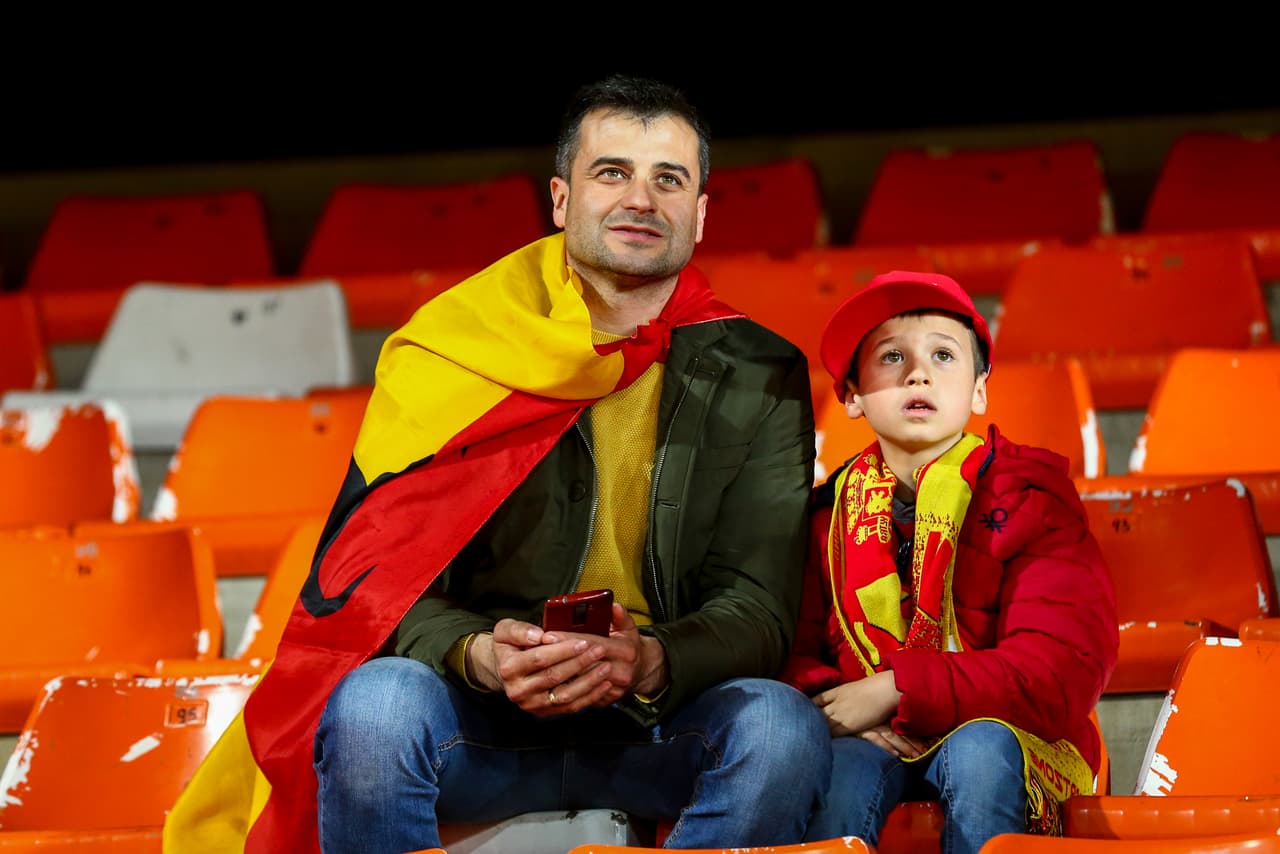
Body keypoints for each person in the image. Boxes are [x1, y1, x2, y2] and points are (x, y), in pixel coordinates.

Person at [165, 74, 827, 853]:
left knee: (781, 731)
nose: (642, 200)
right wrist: (478, 655)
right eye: (612, 172)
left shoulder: (760, 368)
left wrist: (647, 659)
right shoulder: (455, 350)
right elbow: (368, 581)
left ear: (700, 213)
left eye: (669, 180)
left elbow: (758, 608)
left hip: (664, 717)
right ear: (560, 197)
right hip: (479, 716)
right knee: (376, 710)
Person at [783, 271, 1118, 854]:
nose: (919, 372)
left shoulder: (1031, 500)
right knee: (837, 769)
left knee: (980, 752)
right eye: (892, 357)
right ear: (852, 395)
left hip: (1008, 735)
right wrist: (846, 705)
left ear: (980, 390)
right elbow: (787, 652)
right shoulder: (823, 517)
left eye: (943, 354)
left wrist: (895, 689)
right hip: (867, 736)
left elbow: (1061, 669)